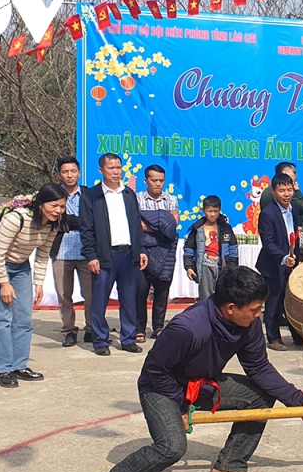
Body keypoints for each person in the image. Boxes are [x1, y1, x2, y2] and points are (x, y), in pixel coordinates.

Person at [80, 266, 303, 472]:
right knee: (171, 447)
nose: (257, 315)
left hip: (201, 384)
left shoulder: (248, 324)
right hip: (161, 388)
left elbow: (259, 367)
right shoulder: (188, 328)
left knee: (258, 397)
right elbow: (155, 370)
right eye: (254, 310)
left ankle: (229, 466)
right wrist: (180, 407)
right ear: (230, 307)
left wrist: (297, 399)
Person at [0, 183, 67, 388]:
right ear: (40, 204)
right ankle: (3, 369)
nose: (58, 211)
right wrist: (3, 283)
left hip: (21, 266)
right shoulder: (16, 218)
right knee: (1, 317)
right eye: (54, 205)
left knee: (23, 317)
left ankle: (19, 365)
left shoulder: (53, 225)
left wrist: (38, 283)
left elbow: (43, 255)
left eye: (62, 207)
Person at [81, 153, 148, 357]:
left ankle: (128, 338)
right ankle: (100, 340)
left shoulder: (128, 194)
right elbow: (86, 229)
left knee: (129, 299)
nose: (116, 171)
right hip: (104, 255)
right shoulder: (91, 196)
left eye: (118, 167)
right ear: (101, 170)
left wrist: (141, 250)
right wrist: (91, 255)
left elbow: (136, 226)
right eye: (111, 168)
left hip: (128, 255)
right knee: (99, 300)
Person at [256, 173, 302, 351]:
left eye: (289, 190)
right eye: (282, 191)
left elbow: (294, 237)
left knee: (291, 301)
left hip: (292, 263)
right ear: (273, 192)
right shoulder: (267, 214)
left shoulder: (294, 208)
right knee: (274, 303)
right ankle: (273, 338)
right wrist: (284, 258)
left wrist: (296, 259)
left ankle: (297, 336)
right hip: (273, 266)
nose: (286, 194)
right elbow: (268, 243)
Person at [52, 157, 93, 347]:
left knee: (91, 293)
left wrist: (69, 220)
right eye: (65, 172)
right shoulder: (54, 194)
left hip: (87, 252)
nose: (70, 175)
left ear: (79, 173)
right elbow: (55, 220)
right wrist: (78, 221)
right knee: (63, 295)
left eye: (73, 171)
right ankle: (68, 330)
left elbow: (92, 220)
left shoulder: (89, 194)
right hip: (61, 252)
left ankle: (92, 328)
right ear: (60, 174)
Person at [136, 164, 179, 342]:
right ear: (146, 180)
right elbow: (137, 225)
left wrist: (150, 224)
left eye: (161, 180)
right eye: (154, 180)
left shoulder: (171, 199)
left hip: (166, 250)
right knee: (140, 292)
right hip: (143, 250)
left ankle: (158, 327)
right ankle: (139, 328)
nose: (158, 184)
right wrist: (162, 222)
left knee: (162, 292)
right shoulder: (137, 198)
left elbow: (174, 222)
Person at [183, 195, 240, 303]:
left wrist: (232, 268)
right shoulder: (198, 228)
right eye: (209, 211)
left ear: (219, 211)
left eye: (215, 211)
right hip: (205, 266)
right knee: (205, 297)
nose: (212, 214)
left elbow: (233, 249)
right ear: (204, 210)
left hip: (222, 267)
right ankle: (206, 317)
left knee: (223, 295)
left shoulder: (226, 228)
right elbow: (189, 249)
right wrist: (189, 267)